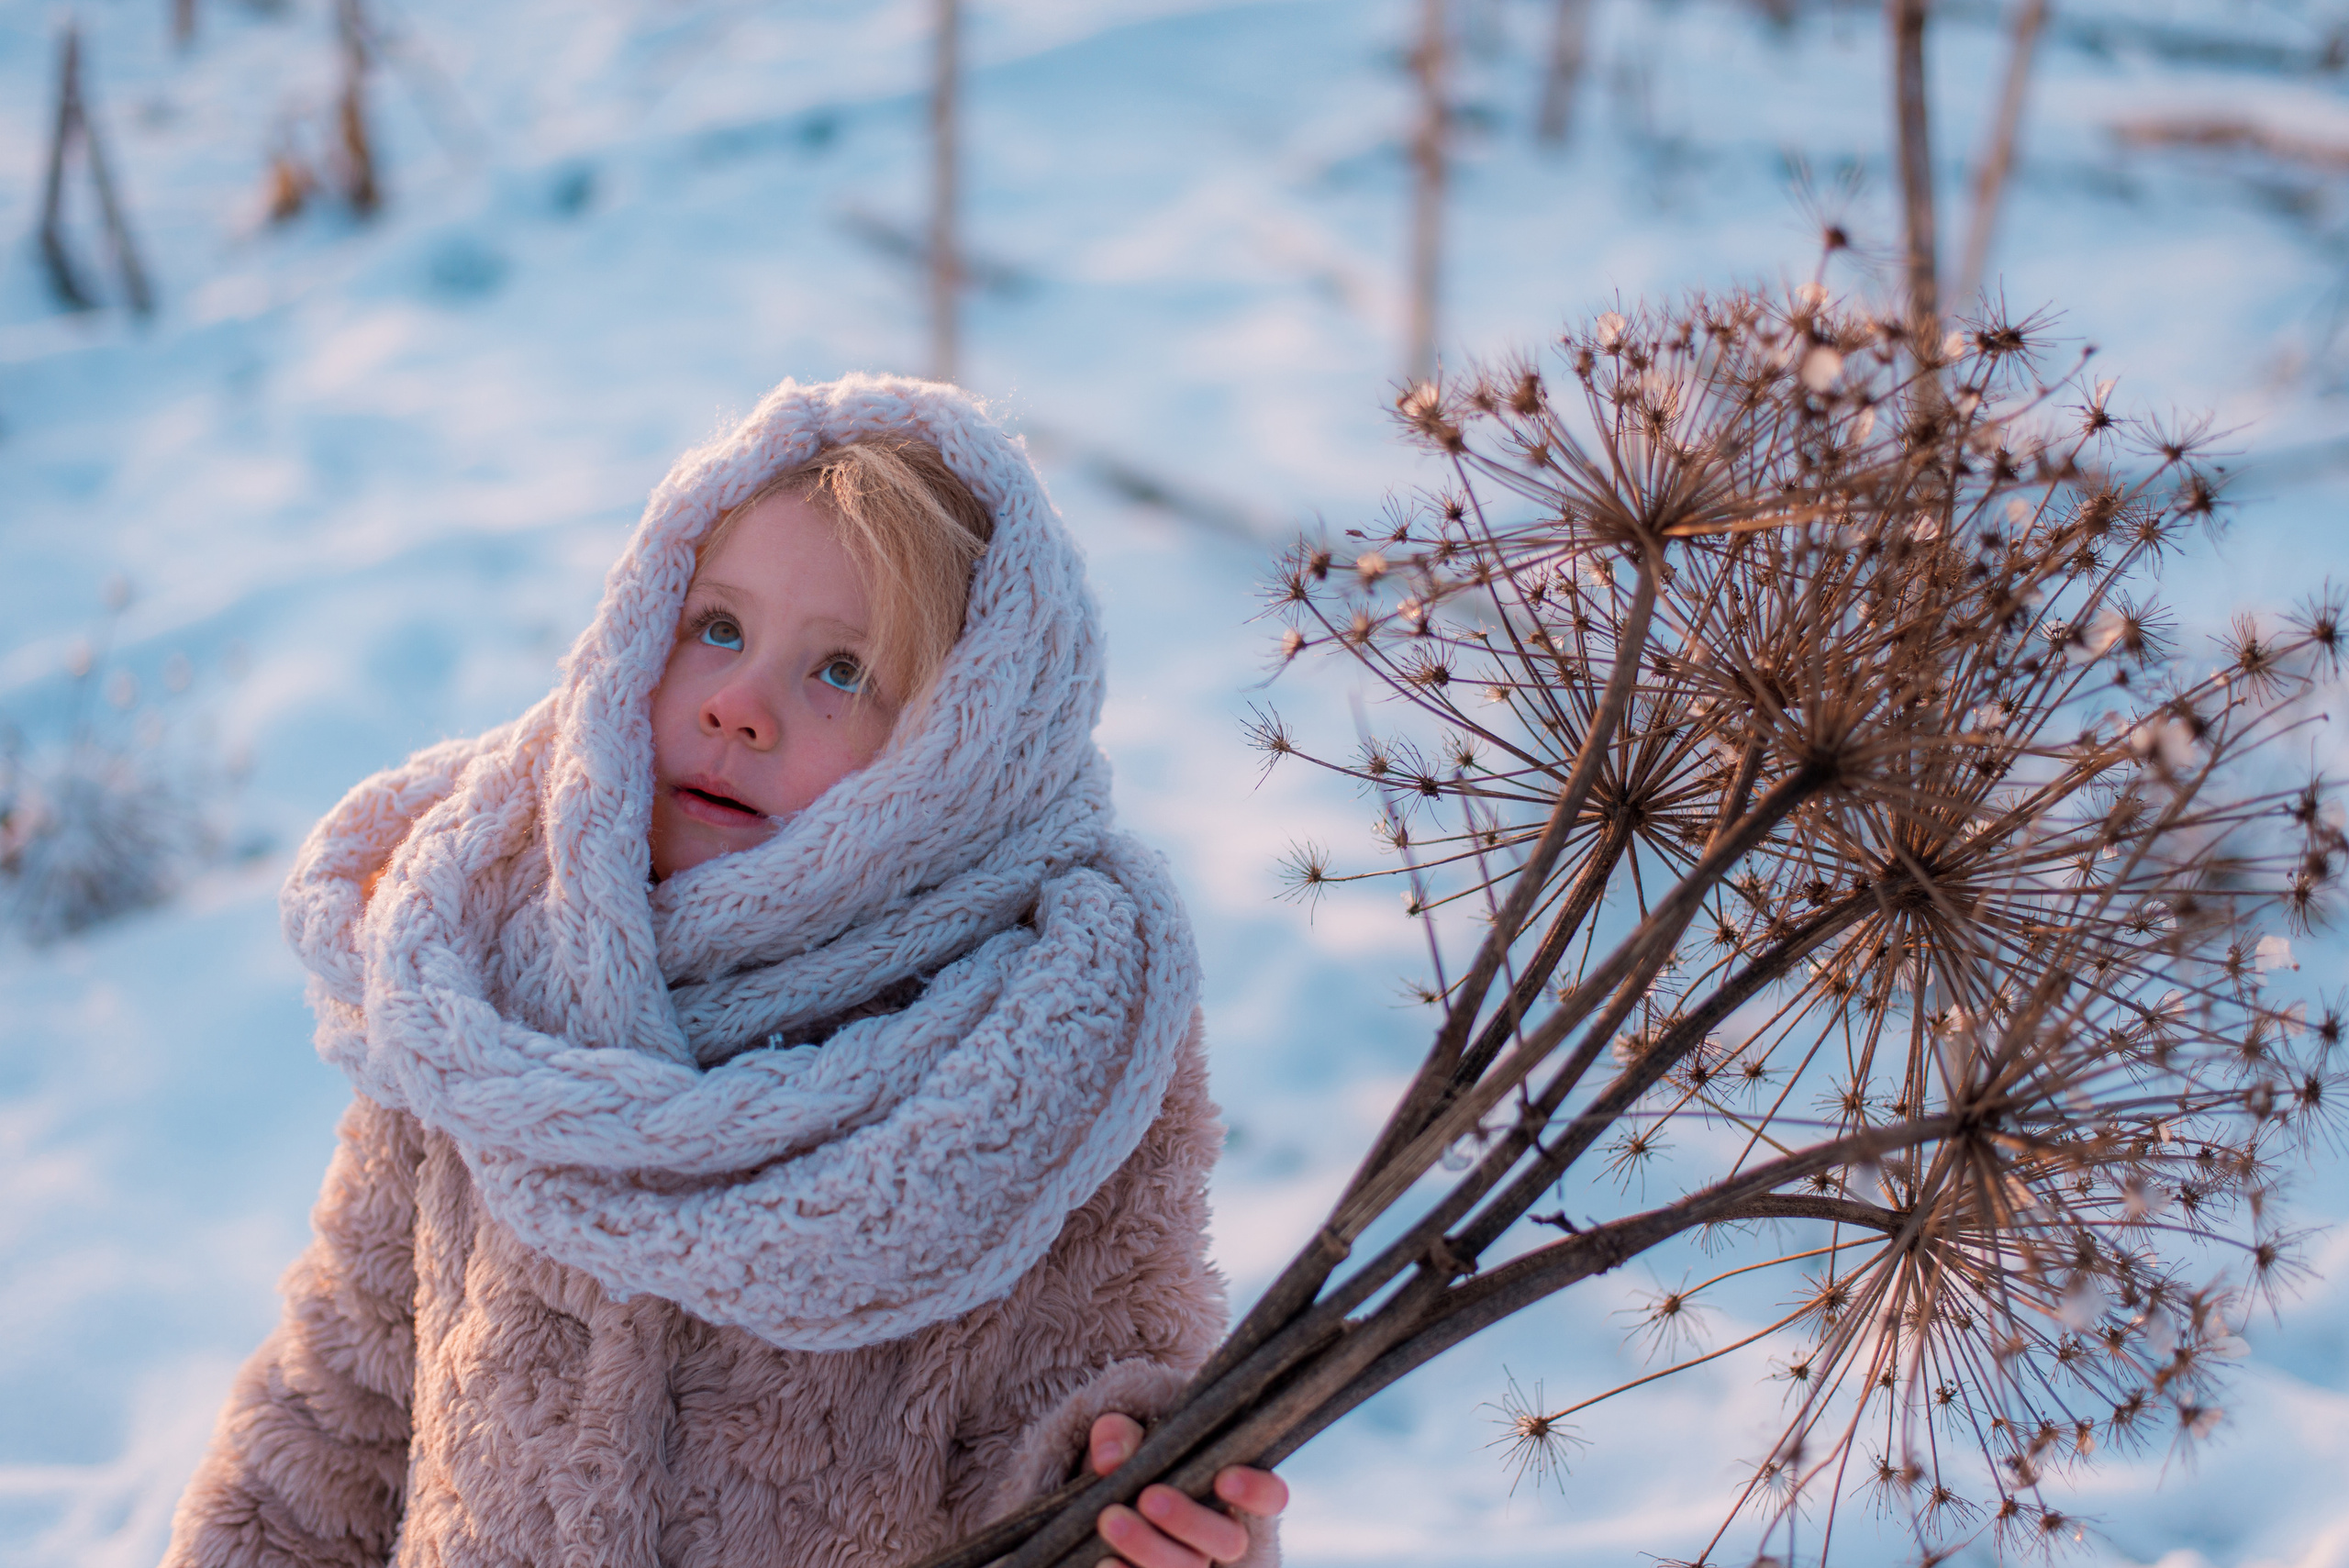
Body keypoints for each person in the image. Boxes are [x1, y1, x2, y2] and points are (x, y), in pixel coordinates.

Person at [161, 376, 1286, 1568]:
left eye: (843, 671)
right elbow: (336, 1410)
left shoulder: (1036, 1048)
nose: (741, 709)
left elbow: (1083, 1424)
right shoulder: (486, 964)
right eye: (720, 629)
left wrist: (1148, 1520)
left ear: (960, 753)